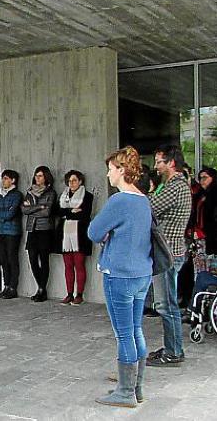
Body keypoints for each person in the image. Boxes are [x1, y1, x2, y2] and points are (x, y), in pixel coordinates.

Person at [88, 146, 152, 408]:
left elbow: (94, 231)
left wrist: (107, 234)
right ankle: (137, 389)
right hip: (142, 273)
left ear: (122, 171)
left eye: (111, 169)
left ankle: (125, 393)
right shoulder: (143, 199)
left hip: (120, 274)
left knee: (124, 334)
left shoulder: (119, 200)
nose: (108, 174)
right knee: (136, 329)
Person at [147, 144, 191, 367]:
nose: (156, 166)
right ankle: (172, 348)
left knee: (167, 305)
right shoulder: (173, 185)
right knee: (166, 304)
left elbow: (149, 206)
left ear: (171, 163)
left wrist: (149, 190)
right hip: (169, 252)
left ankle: (173, 353)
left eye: (159, 162)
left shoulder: (175, 186)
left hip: (169, 254)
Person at [54, 170, 93, 306]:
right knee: (68, 265)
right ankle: (69, 294)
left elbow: (85, 215)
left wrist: (67, 213)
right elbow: (58, 212)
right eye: (69, 181)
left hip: (80, 235)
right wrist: (71, 211)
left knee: (79, 264)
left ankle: (79, 294)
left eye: (74, 180)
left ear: (80, 181)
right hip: (64, 235)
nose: (71, 183)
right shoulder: (63, 196)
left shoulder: (87, 196)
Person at [22, 166, 57, 302]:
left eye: (41, 176)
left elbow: (47, 212)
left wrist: (33, 209)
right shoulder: (29, 192)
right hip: (32, 229)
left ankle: (42, 289)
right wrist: (39, 206)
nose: (38, 178)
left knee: (44, 260)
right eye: (36, 175)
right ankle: (40, 287)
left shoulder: (50, 193)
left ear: (46, 177)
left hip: (45, 230)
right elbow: (24, 210)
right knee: (32, 258)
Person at [0, 170, 23, 299]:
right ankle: (6, 285)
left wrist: (1, 215)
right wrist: (2, 216)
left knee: (12, 259)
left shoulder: (17, 195)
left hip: (12, 232)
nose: (3, 181)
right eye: (2, 178)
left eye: (6, 178)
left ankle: (13, 287)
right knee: (3, 259)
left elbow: (11, 213)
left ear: (13, 180)